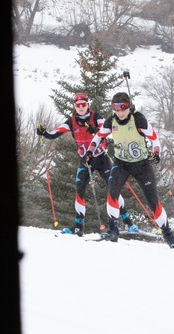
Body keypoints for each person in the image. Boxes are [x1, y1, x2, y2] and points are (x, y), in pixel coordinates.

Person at [85, 91, 174, 249]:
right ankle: (113, 230)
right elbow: (98, 136)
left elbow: (154, 138)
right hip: (121, 163)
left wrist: (156, 154)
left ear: (128, 107)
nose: (120, 112)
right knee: (112, 192)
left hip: (142, 165)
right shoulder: (111, 121)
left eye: (122, 108)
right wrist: (90, 152)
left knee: (153, 201)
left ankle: (168, 235)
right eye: (116, 108)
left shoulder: (138, 119)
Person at [36, 93, 136, 237]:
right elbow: (55, 133)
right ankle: (78, 227)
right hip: (85, 160)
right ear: (75, 106)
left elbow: (108, 128)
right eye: (78, 105)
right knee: (80, 191)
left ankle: (128, 222)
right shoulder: (71, 121)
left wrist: (95, 130)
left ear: (88, 105)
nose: (81, 107)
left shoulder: (96, 116)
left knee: (112, 188)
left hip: (101, 158)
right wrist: (44, 133)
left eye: (83, 104)